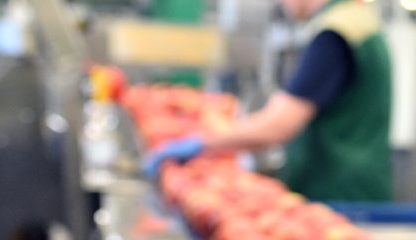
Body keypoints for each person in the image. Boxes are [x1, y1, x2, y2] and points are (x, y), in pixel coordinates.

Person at [145, 0, 393, 202]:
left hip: (337, 191)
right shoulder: (358, 22)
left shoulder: (334, 35)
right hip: (356, 184)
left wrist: (202, 143)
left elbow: (277, 125)